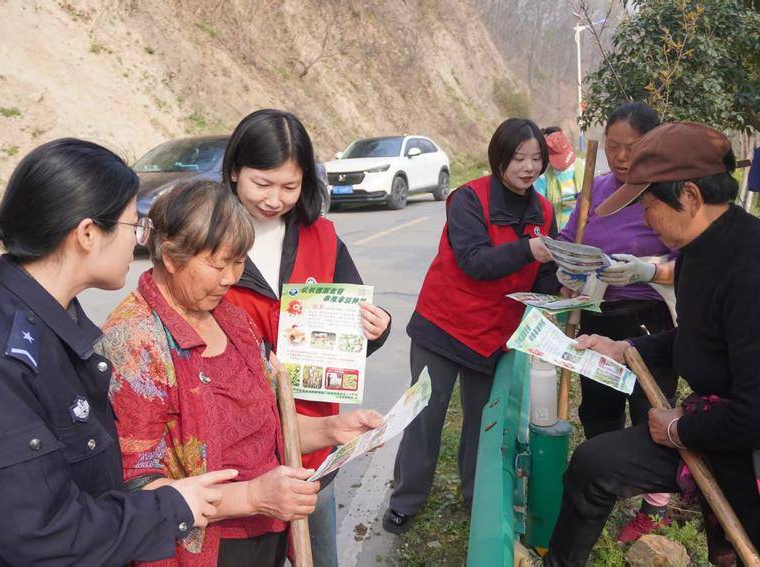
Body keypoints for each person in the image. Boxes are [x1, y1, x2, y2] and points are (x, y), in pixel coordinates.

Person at [541, 122, 760, 566]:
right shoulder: (696, 250)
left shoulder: (757, 273)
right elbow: (696, 338)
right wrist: (623, 349)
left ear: (689, 196)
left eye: (649, 205)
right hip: (723, 414)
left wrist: (678, 430)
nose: (646, 218)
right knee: (595, 464)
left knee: (754, 549)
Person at [0, 139, 233, 565]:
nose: (139, 241)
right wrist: (170, 507)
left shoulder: (53, 327)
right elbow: (43, 533)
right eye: (135, 226)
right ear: (88, 234)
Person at [100, 180, 383, 566]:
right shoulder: (135, 342)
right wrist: (250, 496)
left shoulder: (233, 319)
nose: (232, 277)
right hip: (198, 548)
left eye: (239, 261)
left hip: (267, 529)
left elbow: (266, 422)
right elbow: (137, 486)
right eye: (218, 264)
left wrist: (334, 431)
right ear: (170, 256)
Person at [219, 109, 392, 567]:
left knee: (317, 554)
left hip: (312, 438)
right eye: (262, 183)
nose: (274, 199)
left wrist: (377, 329)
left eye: (289, 187)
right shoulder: (209, 238)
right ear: (235, 170)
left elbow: (354, 325)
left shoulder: (323, 237)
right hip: (239, 447)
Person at [384, 118, 558, 534]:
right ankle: (406, 499)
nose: (528, 167)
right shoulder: (468, 199)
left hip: (494, 336)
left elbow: (542, 275)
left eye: (536, 158)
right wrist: (529, 250)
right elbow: (475, 262)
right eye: (518, 158)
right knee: (425, 416)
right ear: (499, 158)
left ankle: (476, 500)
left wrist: (560, 285)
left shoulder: (544, 211)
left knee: (484, 425)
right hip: (442, 327)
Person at [553, 102, 678, 542]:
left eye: (631, 147)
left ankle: (654, 509)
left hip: (651, 320)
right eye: (612, 147)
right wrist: (567, 269)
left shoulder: (669, 193)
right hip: (599, 316)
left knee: (652, 411)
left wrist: (649, 268)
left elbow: (690, 262)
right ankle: (605, 489)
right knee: (599, 408)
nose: (621, 157)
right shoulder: (595, 191)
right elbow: (568, 241)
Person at [533, 127, 583, 228]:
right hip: (556, 233)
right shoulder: (543, 178)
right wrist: (556, 205)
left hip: (581, 231)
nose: (565, 165)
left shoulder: (582, 166)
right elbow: (537, 209)